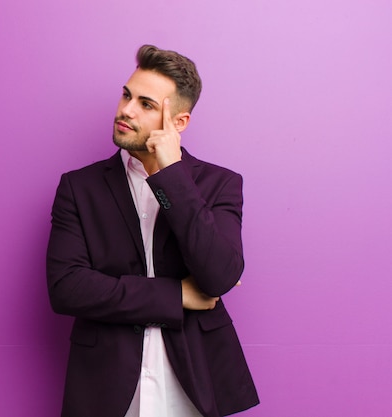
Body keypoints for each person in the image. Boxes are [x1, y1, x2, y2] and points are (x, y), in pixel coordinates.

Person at [46, 45, 259, 417]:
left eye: (146, 104)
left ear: (178, 123)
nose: (125, 110)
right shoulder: (79, 188)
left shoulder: (219, 184)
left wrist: (171, 176)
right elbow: (68, 288)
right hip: (106, 388)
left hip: (196, 382)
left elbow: (219, 276)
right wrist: (176, 293)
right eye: (126, 95)